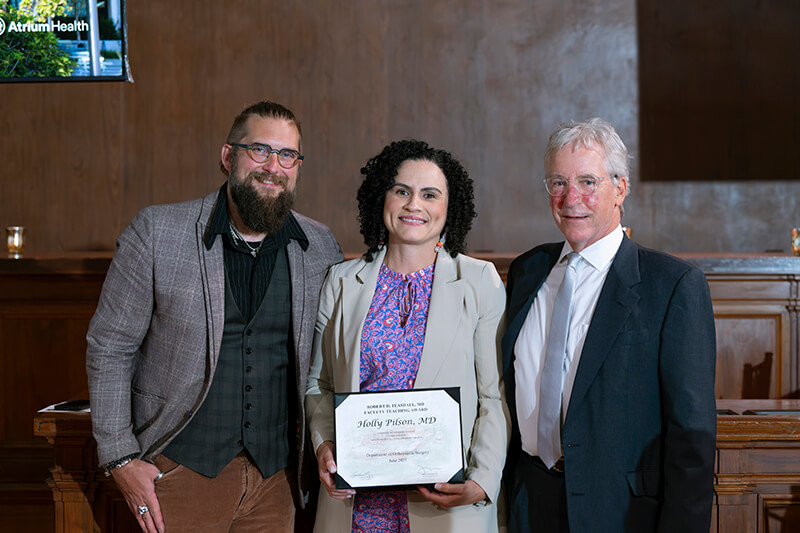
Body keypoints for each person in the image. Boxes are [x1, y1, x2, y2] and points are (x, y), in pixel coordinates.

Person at [86, 101, 343, 533]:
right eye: (259, 150)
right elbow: (109, 348)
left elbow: (331, 363)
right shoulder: (156, 232)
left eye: (288, 156)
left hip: (276, 481)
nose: (273, 167)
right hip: (178, 470)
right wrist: (120, 459)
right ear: (228, 157)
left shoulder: (319, 247)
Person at [502, 118, 717, 532]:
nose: (571, 198)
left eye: (587, 181)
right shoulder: (528, 271)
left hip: (620, 514)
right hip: (529, 502)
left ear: (620, 188)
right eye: (558, 182)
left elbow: (691, 443)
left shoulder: (672, 286)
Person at [305, 140, 508, 532]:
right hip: (355, 506)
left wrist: (481, 481)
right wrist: (324, 445)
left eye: (430, 195)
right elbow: (320, 383)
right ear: (382, 198)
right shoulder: (342, 281)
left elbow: (493, 397)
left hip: (445, 506)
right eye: (402, 191)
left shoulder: (479, 281)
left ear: (450, 209)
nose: (414, 205)